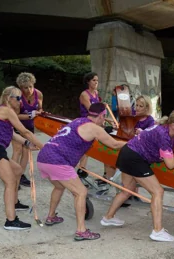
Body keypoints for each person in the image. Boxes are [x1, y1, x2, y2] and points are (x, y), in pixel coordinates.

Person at [100, 109, 174, 242]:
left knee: (127, 190)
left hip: (128, 153)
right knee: (158, 191)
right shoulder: (163, 135)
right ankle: (157, 231)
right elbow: (170, 164)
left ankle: (108, 218)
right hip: (134, 157)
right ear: (173, 125)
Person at [36, 103, 126, 241]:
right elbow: (114, 145)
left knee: (59, 186)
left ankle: (51, 216)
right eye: (104, 118)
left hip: (44, 157)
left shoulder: (77, 120)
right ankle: (81, 231)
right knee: (81, 192)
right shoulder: (94, 128)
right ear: (102, 116)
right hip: (57, 160)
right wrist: (134, 143)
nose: (104, 121)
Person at [0, 86, 44, 230]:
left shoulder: (3, 111)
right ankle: (11, 220)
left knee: (17, 170)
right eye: (19, 98)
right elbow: (25, 131)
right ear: (9, 98)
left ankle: (15, 202)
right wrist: (44, 147)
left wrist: (27, 143)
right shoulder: (6, 110)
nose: (21, 102)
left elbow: (13, 134)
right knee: (9, 182)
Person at [13, 72, 43, 187]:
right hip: (17, 125)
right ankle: (12, 176)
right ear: (21, 87)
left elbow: (40, 109)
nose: (29, 89)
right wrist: (31, 115)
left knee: (27, 151)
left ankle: (20, 175)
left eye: (31, 86)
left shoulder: (39, 94)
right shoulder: (17, 97)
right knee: (17, 150)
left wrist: (41, 114)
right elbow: (15, 116)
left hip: (29, 126)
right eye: (26, 87)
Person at [77, 72, 101, 178]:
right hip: (85, 122)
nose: (96, 82)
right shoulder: (84, 94)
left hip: (94, 123)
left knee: (88, 147)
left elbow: (100, 110)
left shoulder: (96, 93)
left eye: (97, 80)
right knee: (85, 147)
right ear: (88, 82)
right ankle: (80, 169)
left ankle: (82, 169)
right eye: (94, 80)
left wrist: (107, 119)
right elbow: (92, 110)